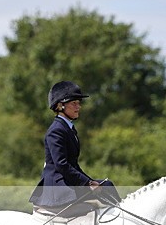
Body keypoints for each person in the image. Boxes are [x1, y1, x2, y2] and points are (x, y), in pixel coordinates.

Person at [29, 81, 120, 217]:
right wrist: (87, 183)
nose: (79, 107)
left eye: (79, 103)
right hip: (57, 188)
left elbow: (74, 166)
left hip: (66, 182)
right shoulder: (56, 131)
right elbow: (62, 165)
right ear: (61, 105)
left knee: (106, 185)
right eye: (74, 103)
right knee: (106, 187)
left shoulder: (68, 128)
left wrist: (91, 181)